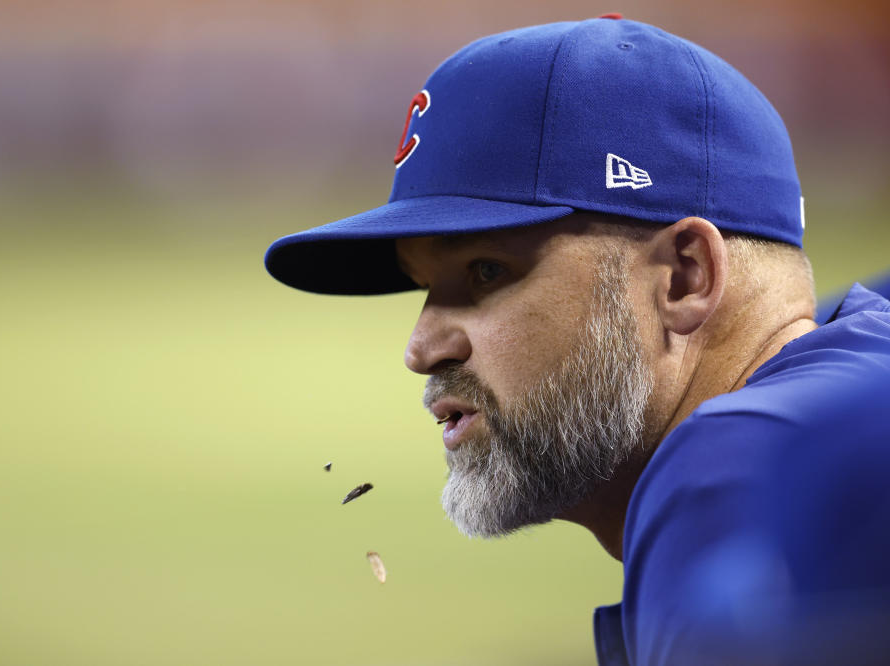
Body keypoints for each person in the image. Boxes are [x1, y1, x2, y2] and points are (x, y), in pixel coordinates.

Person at [265, 16, 890, 665]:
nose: (422, 349)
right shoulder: (851, 358)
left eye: (485, 271)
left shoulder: (733, 476)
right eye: (423, 286)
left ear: (684, 277)